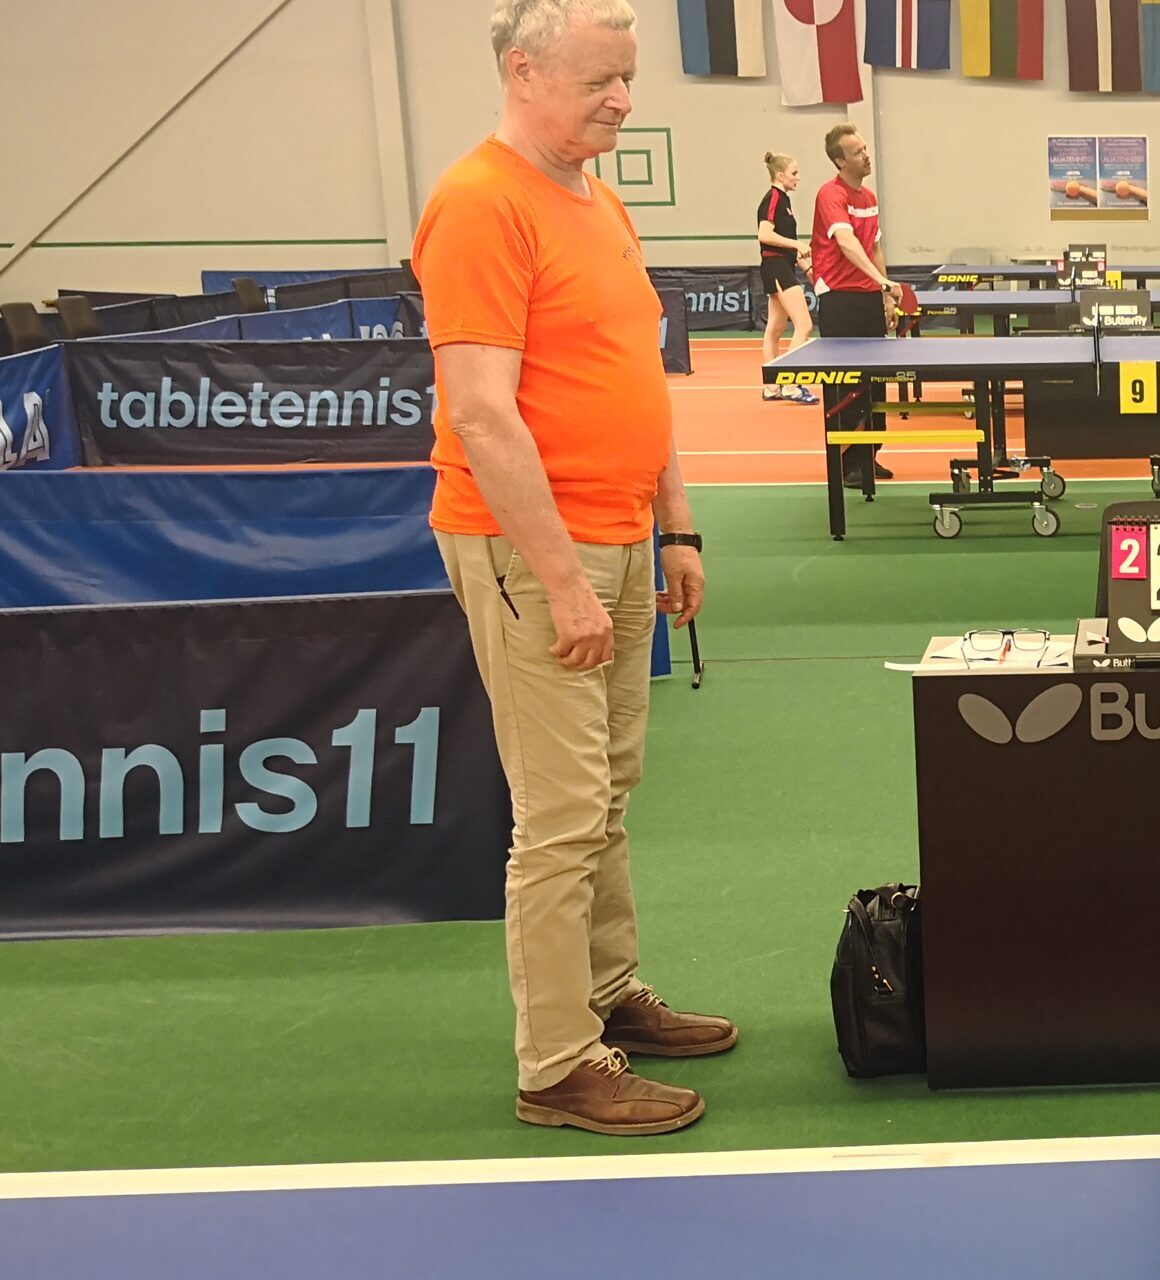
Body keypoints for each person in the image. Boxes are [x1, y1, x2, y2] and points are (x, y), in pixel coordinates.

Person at [413, 0, 733, 1137]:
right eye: (601, 80)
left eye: (628, 78)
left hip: (621, 535)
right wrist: (556, 579)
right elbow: (481, 414)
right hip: (531, 548)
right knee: (557, 813)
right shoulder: (479, 204)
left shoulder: (600, 199)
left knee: (608, 788)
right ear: (522, 72)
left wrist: (676, 526)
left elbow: (635, 373)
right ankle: (556, 1061)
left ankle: (607, 991)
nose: (624, 101)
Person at [810, 123, 903, 484]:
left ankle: (868, 455)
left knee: (874, 383)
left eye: (864, 149)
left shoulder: (869, 198)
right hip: (839, 299)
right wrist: (882, 282)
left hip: (867, 299)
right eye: (857, 152)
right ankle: (846, 463)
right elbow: (847, 243)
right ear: (839, 161)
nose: (866, 156)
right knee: (845, 385)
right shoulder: (830, 195)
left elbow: (875, 248)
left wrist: (886, 296)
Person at [757, 151, 819, 404]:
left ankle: (772, 387)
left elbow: (789, 246)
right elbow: (764, 234)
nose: (798, 178)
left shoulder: (784, 201)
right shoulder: (773, 198)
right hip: (776, 268)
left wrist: (809, 270)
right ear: (780, 176)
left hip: (783, 265)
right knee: (804, 325)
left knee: (775, 329)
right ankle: (791, 384)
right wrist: (796, 243)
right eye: (794, 173)